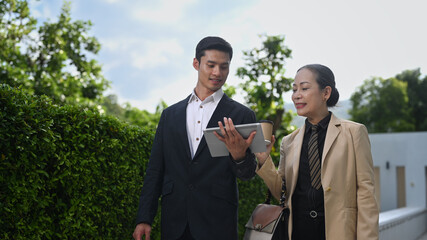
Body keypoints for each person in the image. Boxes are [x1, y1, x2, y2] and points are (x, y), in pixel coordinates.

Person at [133, 36, 258, 240]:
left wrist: (239, 156)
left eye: (224, 67)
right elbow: (155, 170)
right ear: (196, 64)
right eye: (211, 65)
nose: (217, 73)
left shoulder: (242, 115)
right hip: (174, 222)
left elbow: (248, 174)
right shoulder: (170, 115)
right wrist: (144, 218)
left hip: (217, 223)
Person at [255, 64, 379, 240]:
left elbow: (366, 195)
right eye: (294, 89)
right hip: (298, 232)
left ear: (325, 93)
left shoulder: (354, 133)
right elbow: (282, 194)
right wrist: (263, 160)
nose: (296, 95)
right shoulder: (288, 142)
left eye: (304, 88)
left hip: (339, 233)